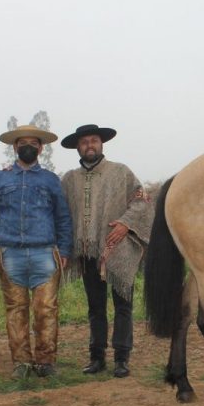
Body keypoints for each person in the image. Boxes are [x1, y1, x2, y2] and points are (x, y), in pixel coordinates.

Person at [0, 125, 72, 379]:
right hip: (10, 254)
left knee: (46, 309)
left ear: (41, 148)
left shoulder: (51, 180)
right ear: (15, 147)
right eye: (23, 143)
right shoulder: (0, 178)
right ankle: (21, 362)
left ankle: (45, 361)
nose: (28, 147)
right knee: (15, 309)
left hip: (44, 253)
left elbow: (63, 217)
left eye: (33, 143)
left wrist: (64, 249)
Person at [60, 124, 152, 378]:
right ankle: (96, 357)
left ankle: (122, 358)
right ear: (77, 147)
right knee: (95, 307)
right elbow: (58, 209)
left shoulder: (121, 173)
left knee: (123, 306)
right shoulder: (68, 179)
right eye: (84, 142)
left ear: (102, 144)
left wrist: (126, 223)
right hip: (87, 252)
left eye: (94, 140)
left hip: (119, 251)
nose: (90, 145)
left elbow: (142, 201)